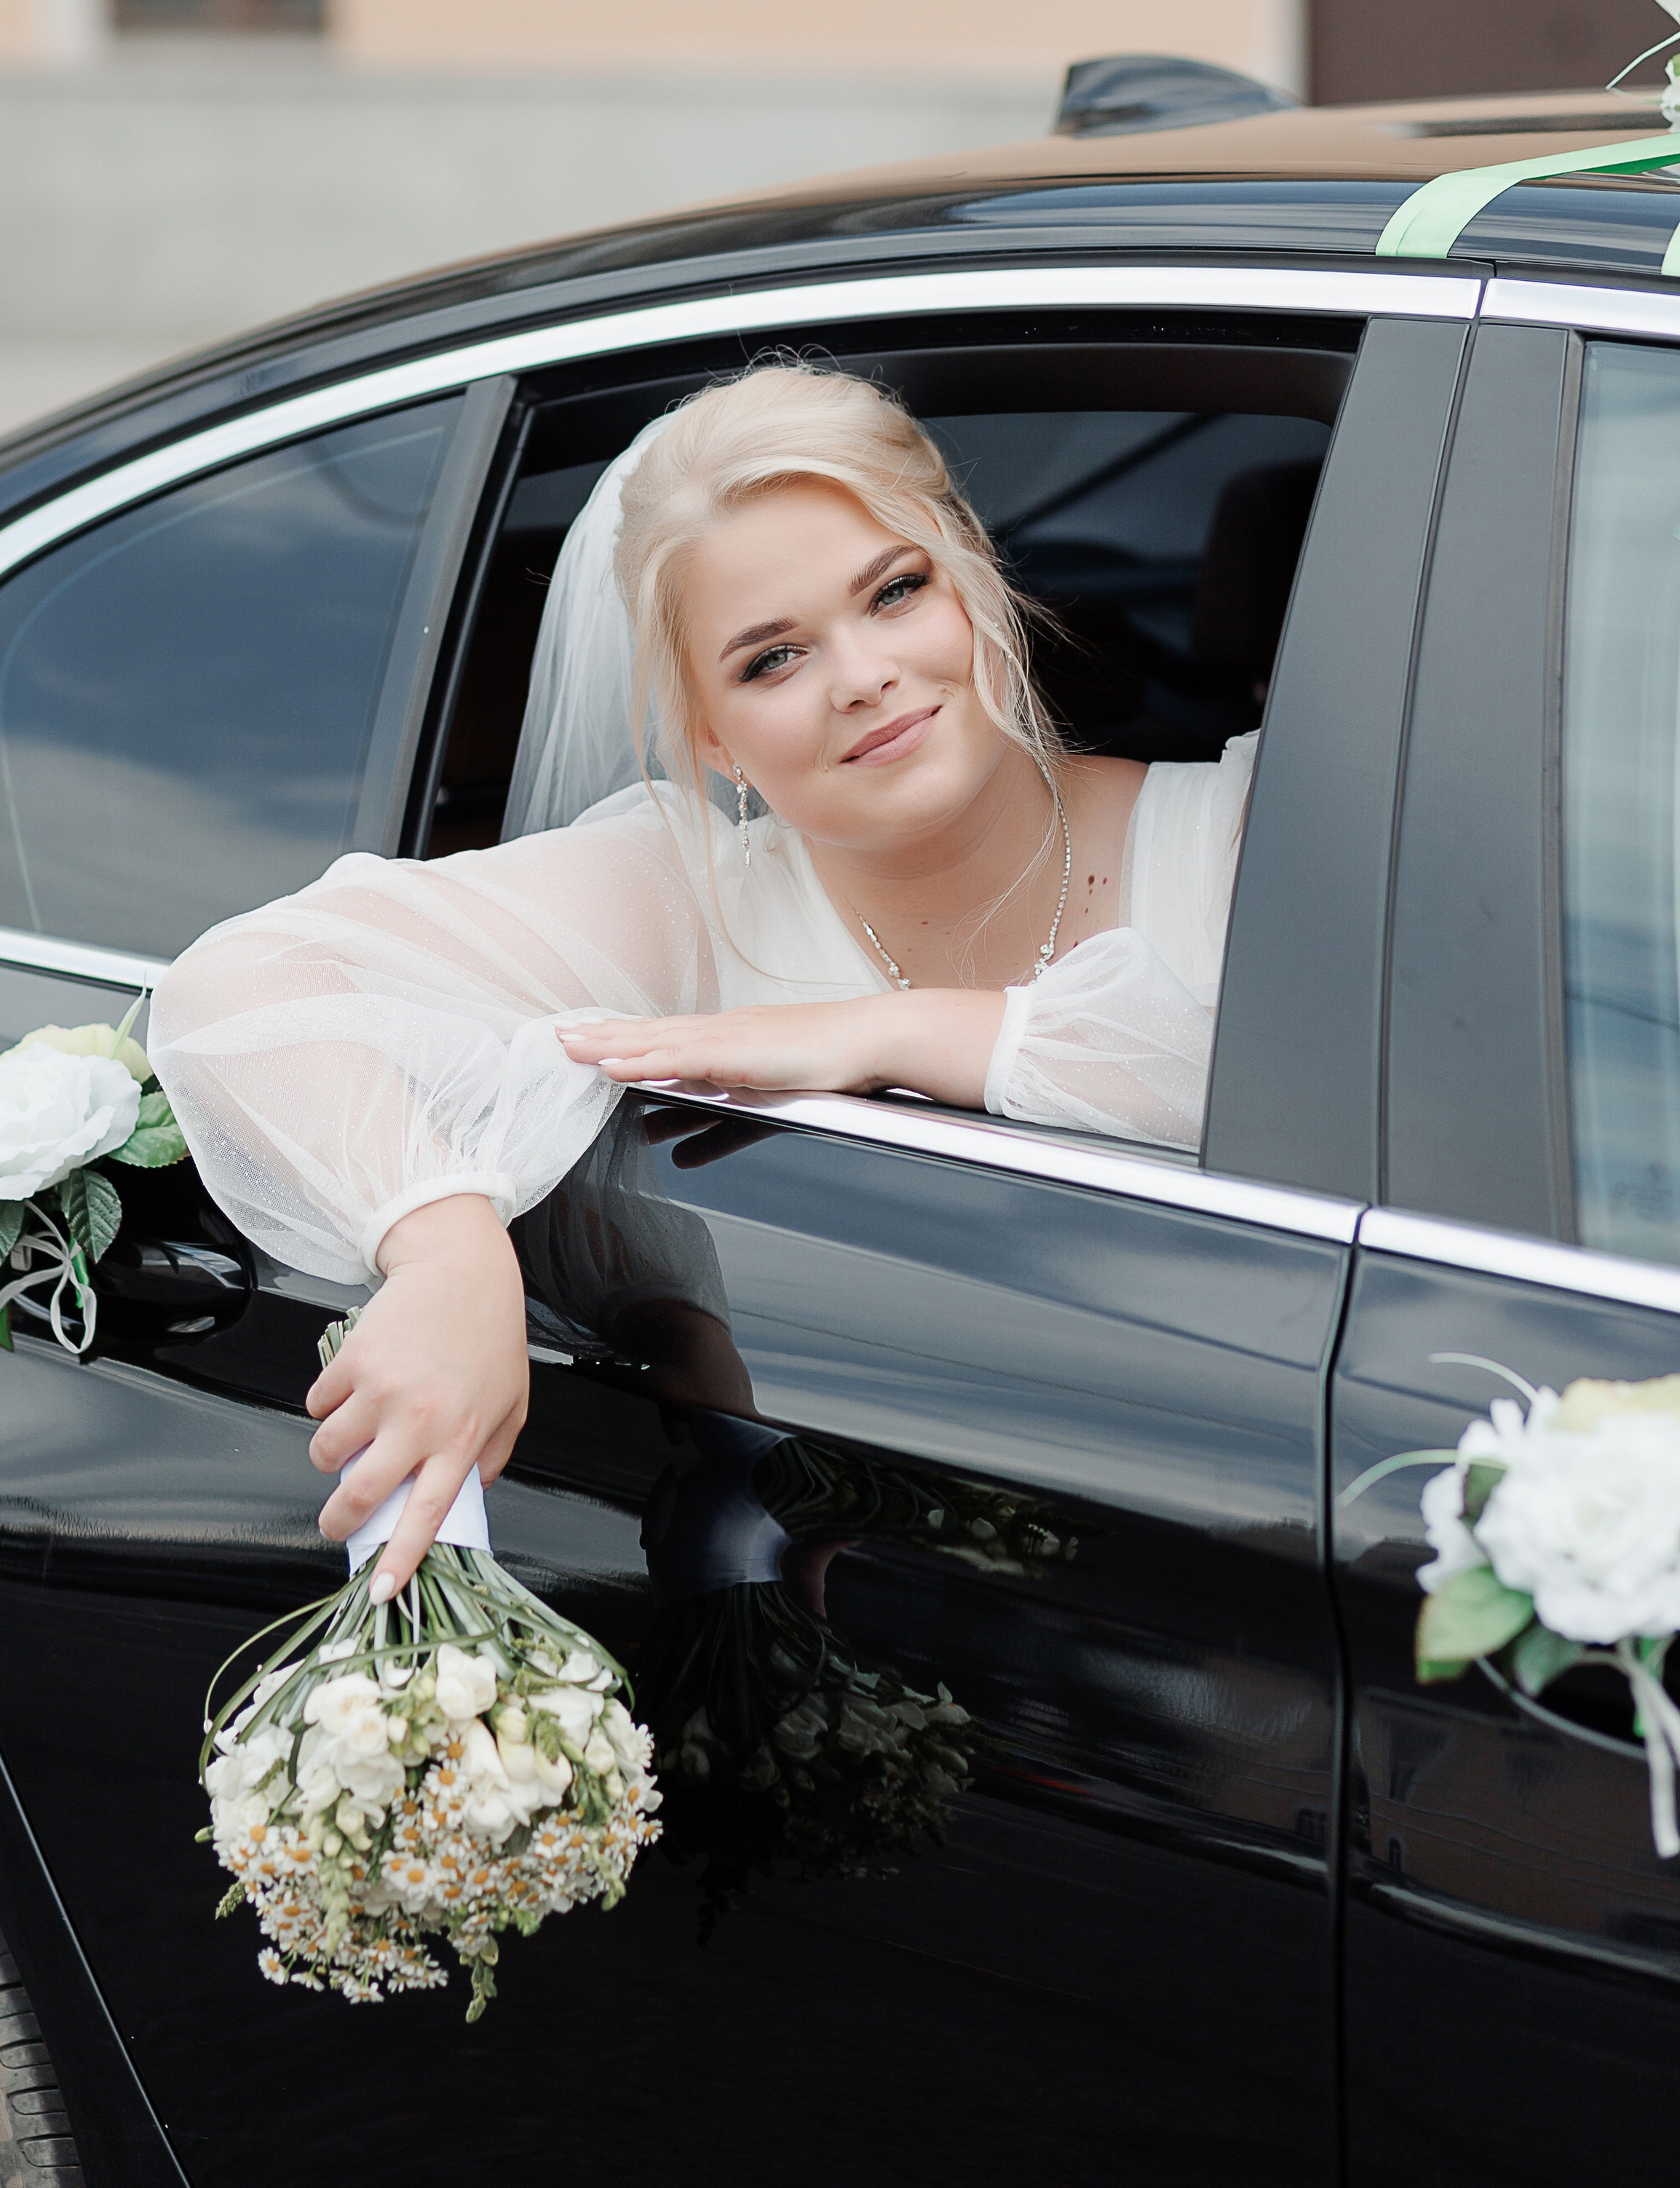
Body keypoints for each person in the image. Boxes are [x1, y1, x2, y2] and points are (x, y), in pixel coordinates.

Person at [149, 365, 1255, 1599]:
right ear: (714, 736)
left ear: (975, 579)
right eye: (772, 660)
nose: (861, 676)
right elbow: (241, 986)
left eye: (896, 593)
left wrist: (892, 1032)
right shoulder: (687, 889)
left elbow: (1346, 1108)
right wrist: (448, 1252)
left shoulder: (1249, 838)